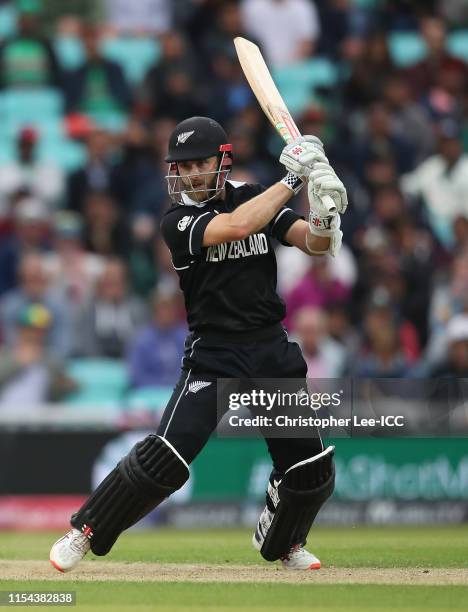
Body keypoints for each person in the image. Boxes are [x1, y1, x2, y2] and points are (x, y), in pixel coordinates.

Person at [50, 116, 347, 572]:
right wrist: (293, 178)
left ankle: (284, 542)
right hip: (214, 354)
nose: (190, 173)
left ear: (221, 162)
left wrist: (324, 212)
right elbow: (235, 228)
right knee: (163, 461)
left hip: (269, 349)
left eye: (200, 163)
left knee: (310, 467)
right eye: (182, 166)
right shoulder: (178, 220)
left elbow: (313, 243)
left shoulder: (252, 195)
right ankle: (84, 530)